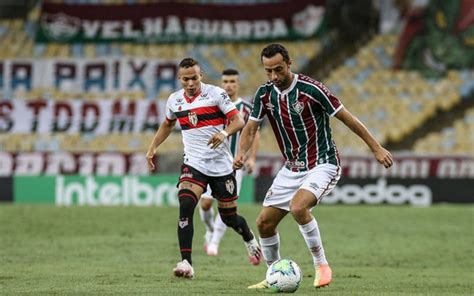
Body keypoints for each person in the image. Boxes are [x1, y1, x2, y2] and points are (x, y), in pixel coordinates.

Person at [234, 44, 393, 289]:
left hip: (323, 163)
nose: (274, 76)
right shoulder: (264, 94)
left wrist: (376, 147)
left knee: (298, 207)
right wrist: (241, 154)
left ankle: (322, 265)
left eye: (278, 69)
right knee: (264, 223)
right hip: (292, 168)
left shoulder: (312, 90)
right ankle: (273, 275)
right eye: (268, 71)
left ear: (289, 63)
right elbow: (250, 128)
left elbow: (346, 117)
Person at [146, 58, 262, 279]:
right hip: (193, 164)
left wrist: (224, 133)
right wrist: (152, 147)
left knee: (229, 218)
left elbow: (238, 121)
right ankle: (186, 262)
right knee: (186, 203)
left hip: (221, 166)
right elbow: (168, 124)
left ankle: (248, 237)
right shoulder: (174, 100)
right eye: (186, 79)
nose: (191, 83)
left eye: (194, 78)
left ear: (201, 76)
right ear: (180, 79)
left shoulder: (216, 94)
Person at [198, 69, 260, 259]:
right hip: (211, 163)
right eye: (225, 81)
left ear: (238, 83)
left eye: (232, 81)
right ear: (221, 83)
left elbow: (254, 133)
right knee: (206, 204)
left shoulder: (246, 108)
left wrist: (251, 158)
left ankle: (214, 243)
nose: (229, 84)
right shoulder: (214, 104)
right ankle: (209, 230)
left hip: (234, 166)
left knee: (226, 208)